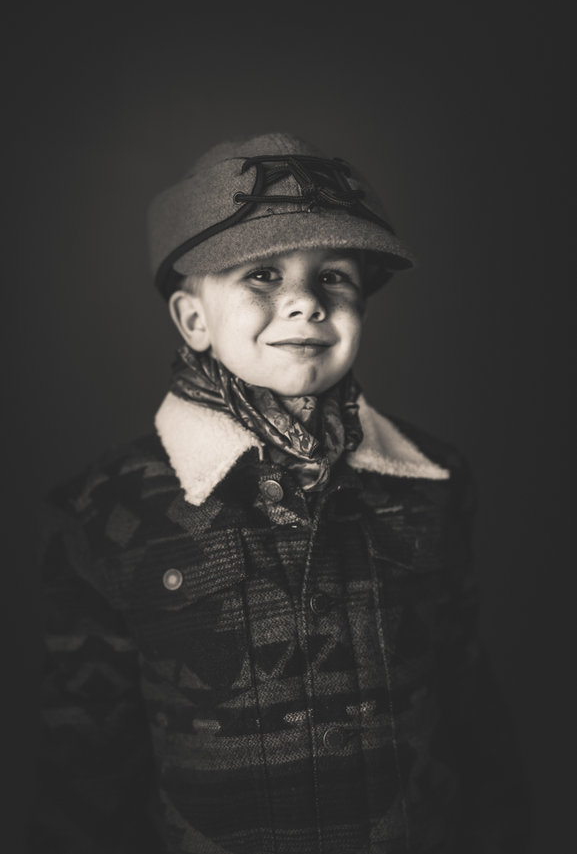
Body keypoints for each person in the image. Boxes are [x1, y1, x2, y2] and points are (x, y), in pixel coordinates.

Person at [29, 132, 531, 854]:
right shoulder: (105, 509)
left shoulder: (432, 481)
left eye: (334, 276)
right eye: (262, 274)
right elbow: (84, 769)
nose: (305, 302)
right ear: (194, 319)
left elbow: (469, 703)